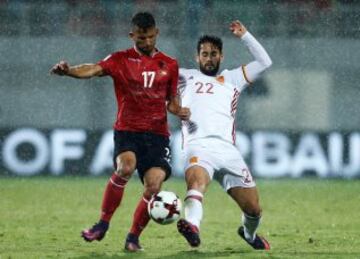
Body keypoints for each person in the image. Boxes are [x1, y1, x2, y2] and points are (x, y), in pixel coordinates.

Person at [50, 12, 190, 252]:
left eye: (149, 38)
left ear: (157, 33)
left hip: (157, 135)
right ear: (132, 35)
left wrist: (180, 110)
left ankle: (133, 238)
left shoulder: (170, 64)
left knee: (154, 186)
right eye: (140, 38)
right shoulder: (120, 59)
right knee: (125, 167)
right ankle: (102, 224)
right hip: (128, 131)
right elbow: (93, 69)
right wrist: (69, 71)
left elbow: (171, 102)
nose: (145, 43)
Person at [176, 20, 272, 250]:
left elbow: (265, 62)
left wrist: (245, 35)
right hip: (197, 146)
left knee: (253, 209)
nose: (209, 58)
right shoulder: (181, 76)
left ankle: (248, 234)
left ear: (221, 56)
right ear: (197, 57)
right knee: (196, 184)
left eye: (213, 54)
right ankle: (192, 227)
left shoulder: (233, 78)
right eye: (204, 54)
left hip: (228, 151)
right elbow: (149, 74)